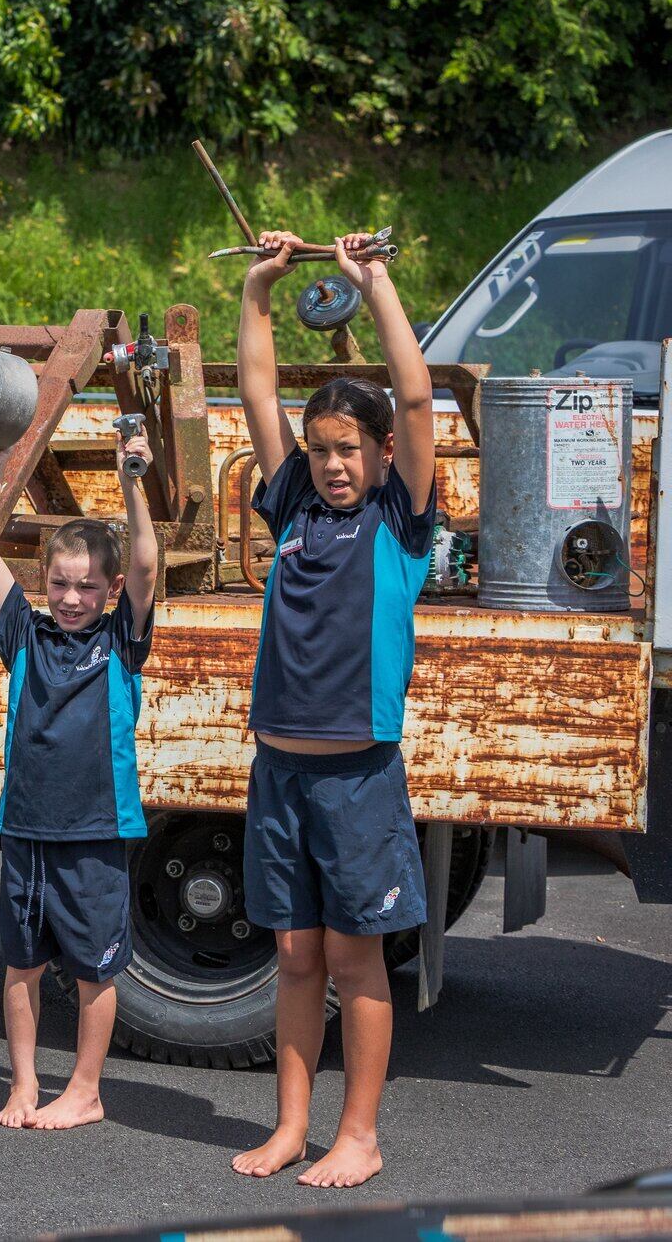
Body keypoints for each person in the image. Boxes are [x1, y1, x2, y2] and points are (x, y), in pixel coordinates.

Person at [230, 231, 436, 1188]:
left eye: (347, 449)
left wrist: (373, 279)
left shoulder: (400, 519)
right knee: (295, 954)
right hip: (278, 771)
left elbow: (420, 392)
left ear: (381, 451)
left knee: (356, 960)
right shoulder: (296, 507)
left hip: (355, 775)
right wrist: (258, 288)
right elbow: (258, 392)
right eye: (319, 451)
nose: (330, 464)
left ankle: (361, 1133)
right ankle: (291, 1127)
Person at [0, 428, 158, 1130]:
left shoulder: (121, 640)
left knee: (92, 970)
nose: (71, 598)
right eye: (59, 583)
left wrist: (132, 479)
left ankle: (84, 1088)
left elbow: (146, 560)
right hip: (24, 827)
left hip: (95, 831)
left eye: (86, 586)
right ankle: (24, 1084)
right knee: (19, 966)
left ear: (109, 590)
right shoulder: (24, 632)